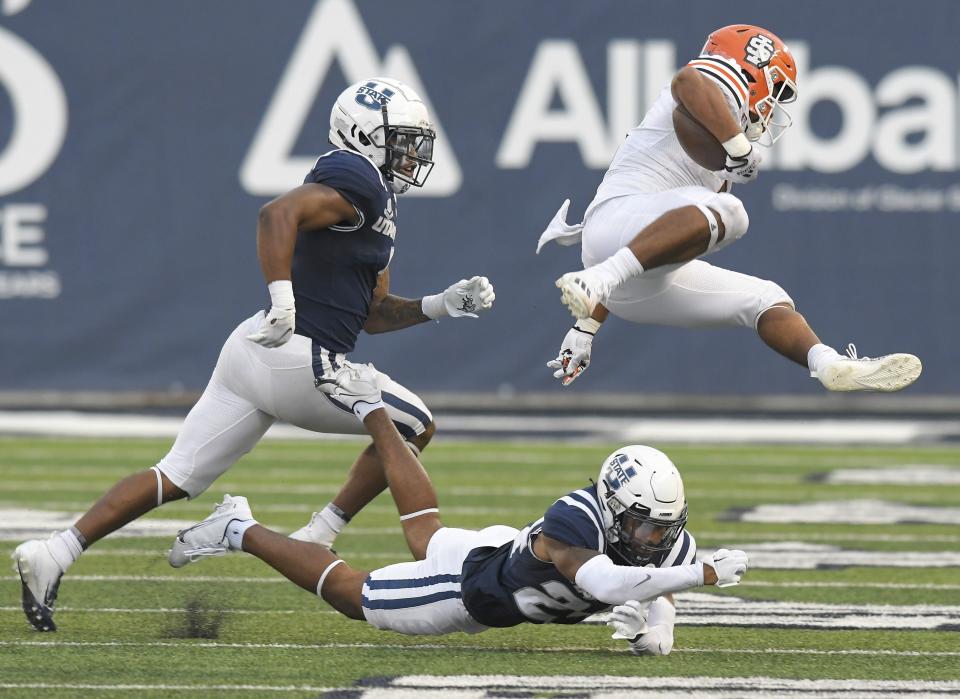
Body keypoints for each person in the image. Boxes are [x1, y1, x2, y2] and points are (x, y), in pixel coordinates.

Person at [11, 77, 495, 632]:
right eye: (403, 141)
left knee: (176, 475)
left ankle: (57, 550)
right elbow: (275, 215)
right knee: (416, 425)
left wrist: (438, 305)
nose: (413, 155)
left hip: (254, 350)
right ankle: (321, 532)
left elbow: (374, 312)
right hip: (299, 355)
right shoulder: (354, 173)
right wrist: (283, 298)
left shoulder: (372, 198)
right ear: (366, 134)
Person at [166, 363, 749, 655]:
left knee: (424, 534)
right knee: (351, 596)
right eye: (642, 523)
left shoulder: (662, 537)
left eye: (661, 526)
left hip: (500, 551)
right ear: (613, 507)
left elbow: (655, 585)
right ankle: (238, 526)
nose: (651, 537)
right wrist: (703, 575)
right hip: (471, 591)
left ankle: (373, 408)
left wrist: (662, 627)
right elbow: (611, 581)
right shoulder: (577, 517)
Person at [539, 24, 922, 392]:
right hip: (614, 221)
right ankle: (600, 278)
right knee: (730, 212)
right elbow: (686, 83)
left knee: (766, 297)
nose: (772, 110)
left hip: (628, 279)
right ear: (755, 71)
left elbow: (655, 244)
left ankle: (829, 364)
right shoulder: (712, 87)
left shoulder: (719, 150)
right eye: (776, 92)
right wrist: (738, 147)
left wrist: (585, 328)